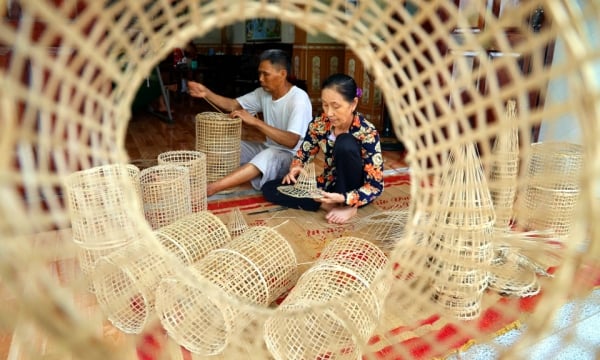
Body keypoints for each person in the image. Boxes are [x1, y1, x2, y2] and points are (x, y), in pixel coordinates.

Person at [262, 73, 384, 224]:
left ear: (353, 104)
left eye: (336, 106)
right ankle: (327, 203)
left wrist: (345, 198)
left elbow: (375, 186)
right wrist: (296, 167)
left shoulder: (367, 133)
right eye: (325, 105)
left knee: (345, 142)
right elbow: (303, 154)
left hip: (357, 190)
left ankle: (348, 206)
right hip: (329, 183)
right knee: (270, 188)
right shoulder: (319, 124)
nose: (329, 113)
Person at [187, 49, 312, 196]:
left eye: (266, 74)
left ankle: (212, 188)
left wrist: (255, 122)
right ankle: (183, 174)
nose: (260, 78)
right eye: (259, 73)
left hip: (293, 158)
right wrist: (206, 93)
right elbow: (233, 104)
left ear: (283, 74)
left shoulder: (299, 99)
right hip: (269, 147)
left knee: (268, 155)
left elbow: (292, 141)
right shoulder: (263, 93)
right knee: (229, 145)